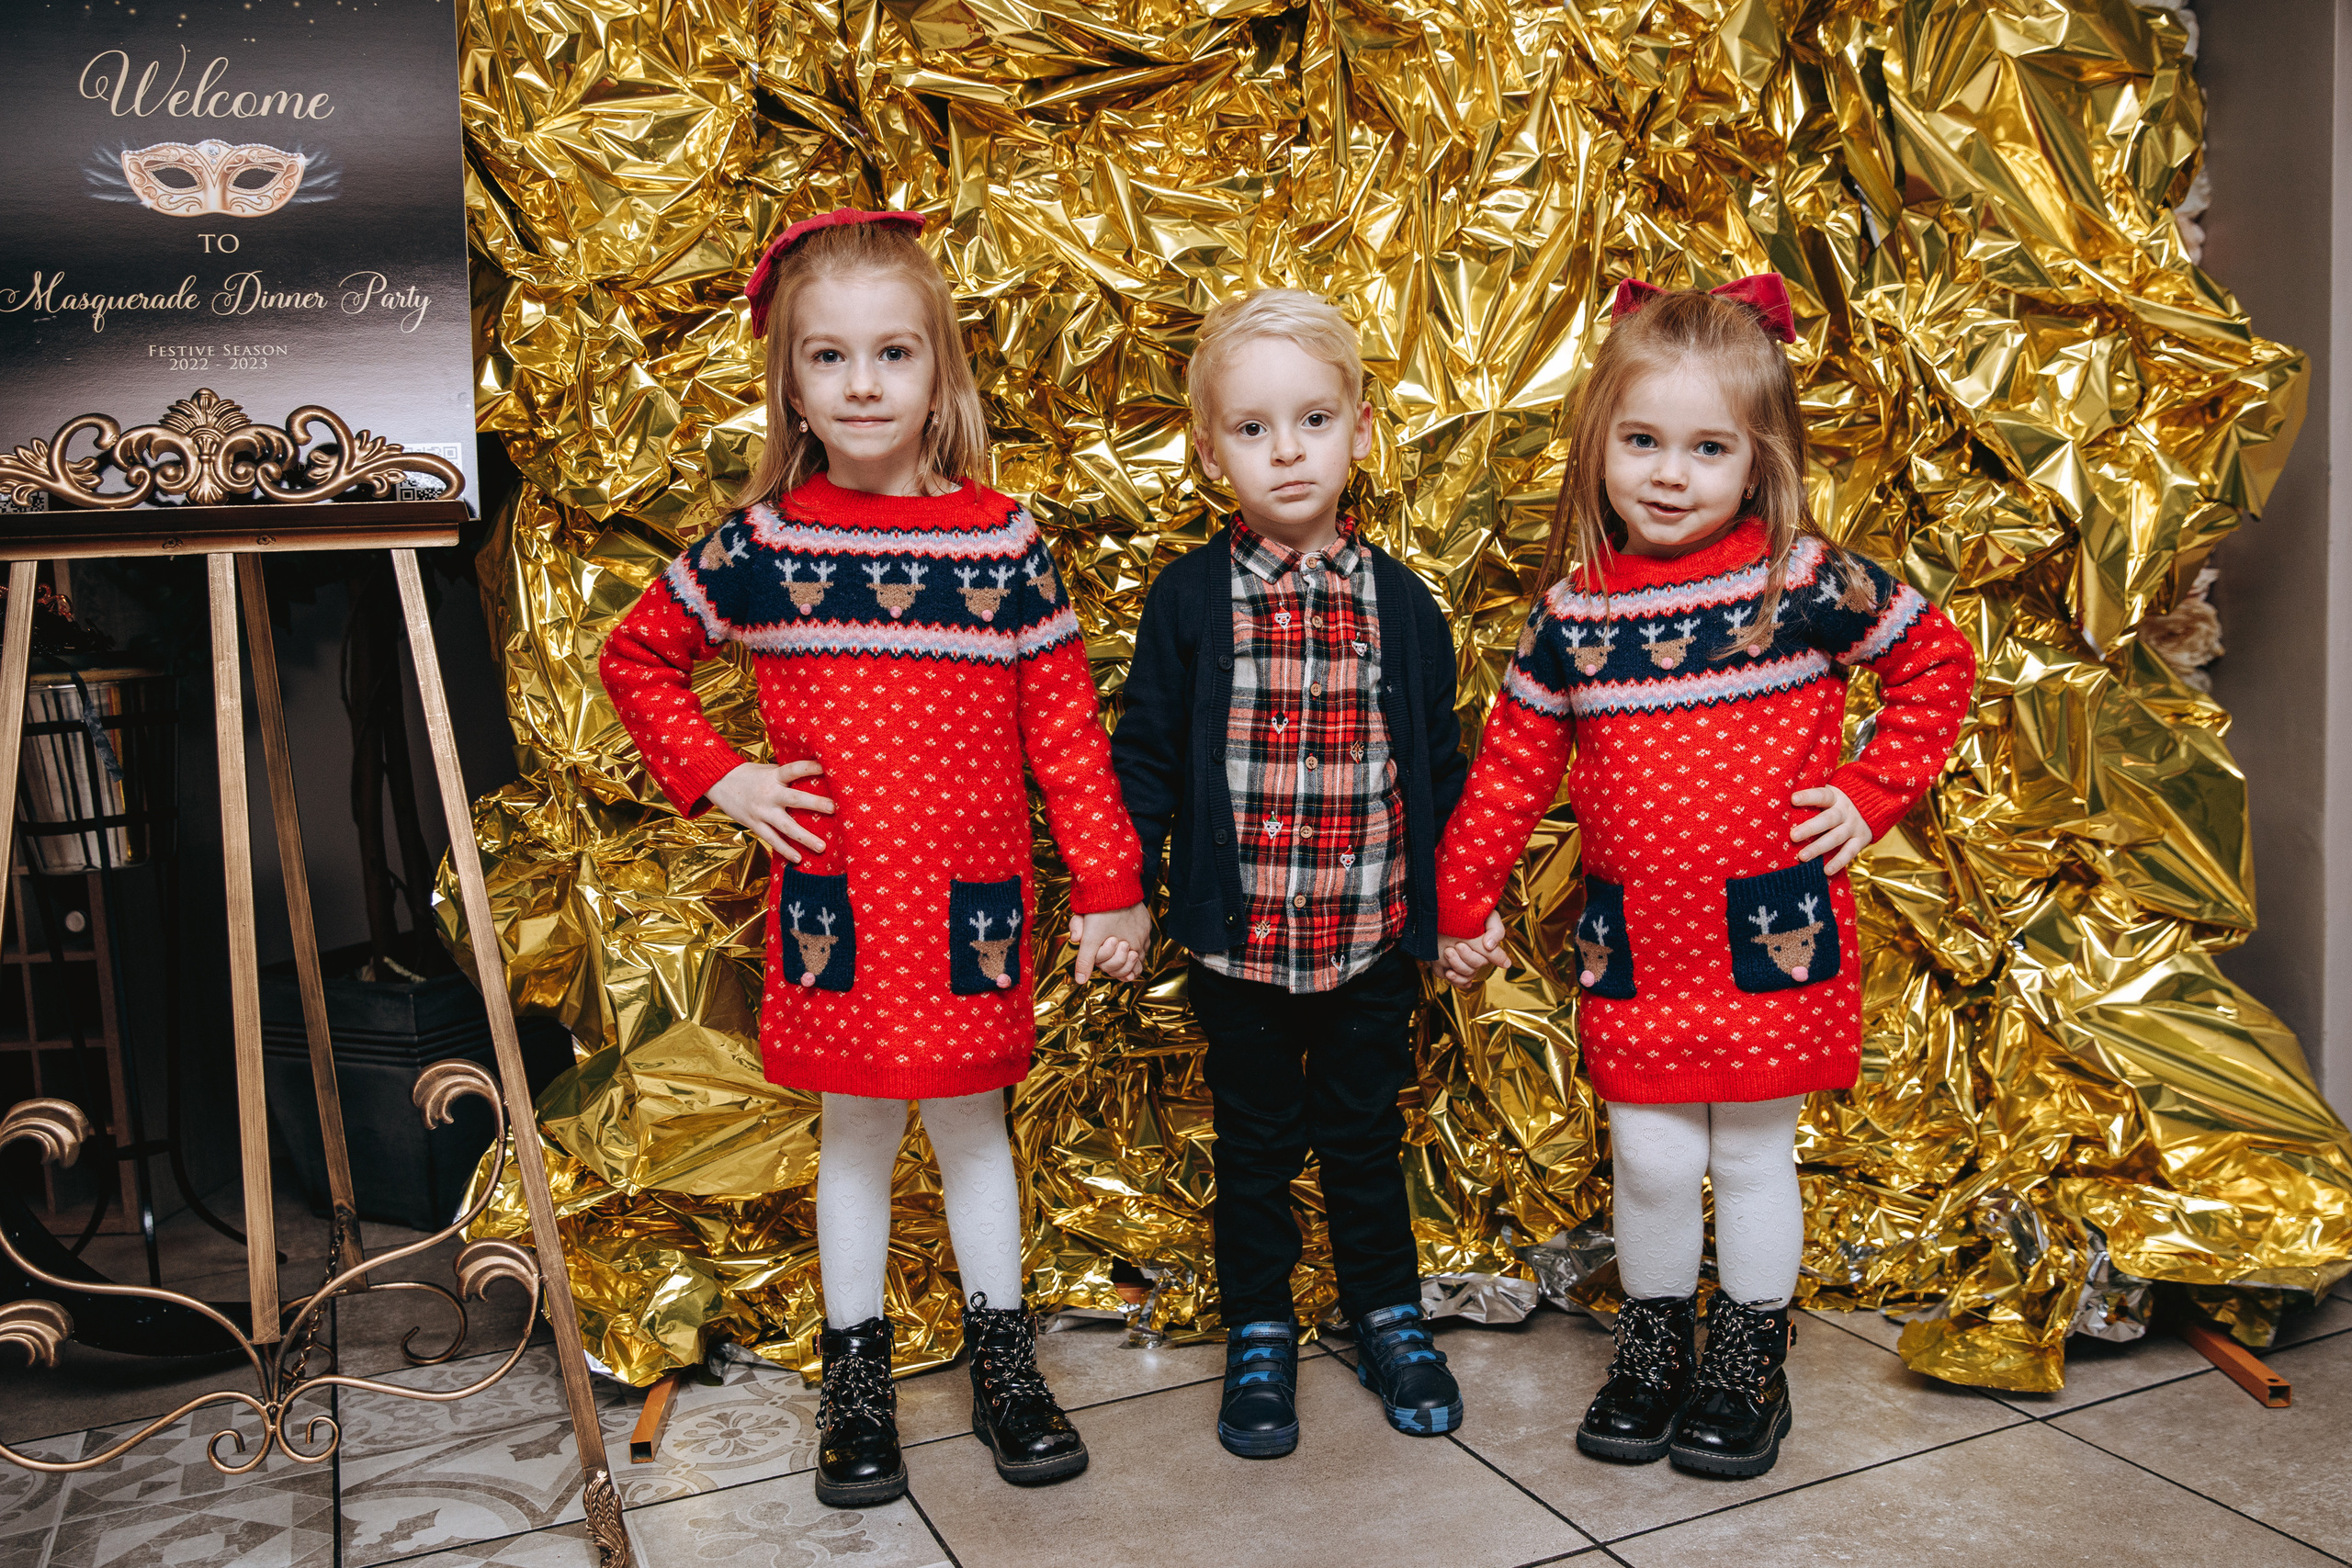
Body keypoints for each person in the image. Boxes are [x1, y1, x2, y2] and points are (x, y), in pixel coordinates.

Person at [598, 209, 1152, 1506]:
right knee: (852, 1136)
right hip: (837, 908)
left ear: (939, 372)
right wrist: (722, 775)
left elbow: (1066, 731)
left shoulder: (1005, 545)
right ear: (790, 379)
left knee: (972, 1132)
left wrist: (1112, 881)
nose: (862, 384)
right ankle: (856, 1371)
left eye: (893, 354)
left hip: (970, 909)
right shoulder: (769, 546)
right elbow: (638, 657)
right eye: (830, 358)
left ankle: (1004, 1358)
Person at [1432, 276, 1975, 1480]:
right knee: (1653, 1155)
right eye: (1642, 441)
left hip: (1772, 933)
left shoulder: (1803, 582)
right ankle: (1653, 1339)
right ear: (1599, 446)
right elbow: (1511, 771)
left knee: (1749, 1154)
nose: (1670, 472)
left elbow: (1937, 661)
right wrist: (1460, 900)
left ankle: (1748, 1351)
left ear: (1758, 458)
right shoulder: (1572, 618)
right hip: (1640, 947)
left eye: (1707, 446)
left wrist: (1874, 790)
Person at [1112, 288, 1470, 1460]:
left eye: (1312, 420)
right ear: (1209, 450)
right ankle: (1258, 1326)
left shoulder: (1405, 607)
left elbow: (1440, 771)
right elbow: (1147, 761)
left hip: (1370, 935)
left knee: (1366, 1136)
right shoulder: (1186, 601)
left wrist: (1456, 914)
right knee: (1258, 1144)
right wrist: (1120, 894)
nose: (1287, 452)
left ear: (1361, 430)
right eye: (1254, 429)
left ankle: (1385, 1315)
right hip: (1239, 940)